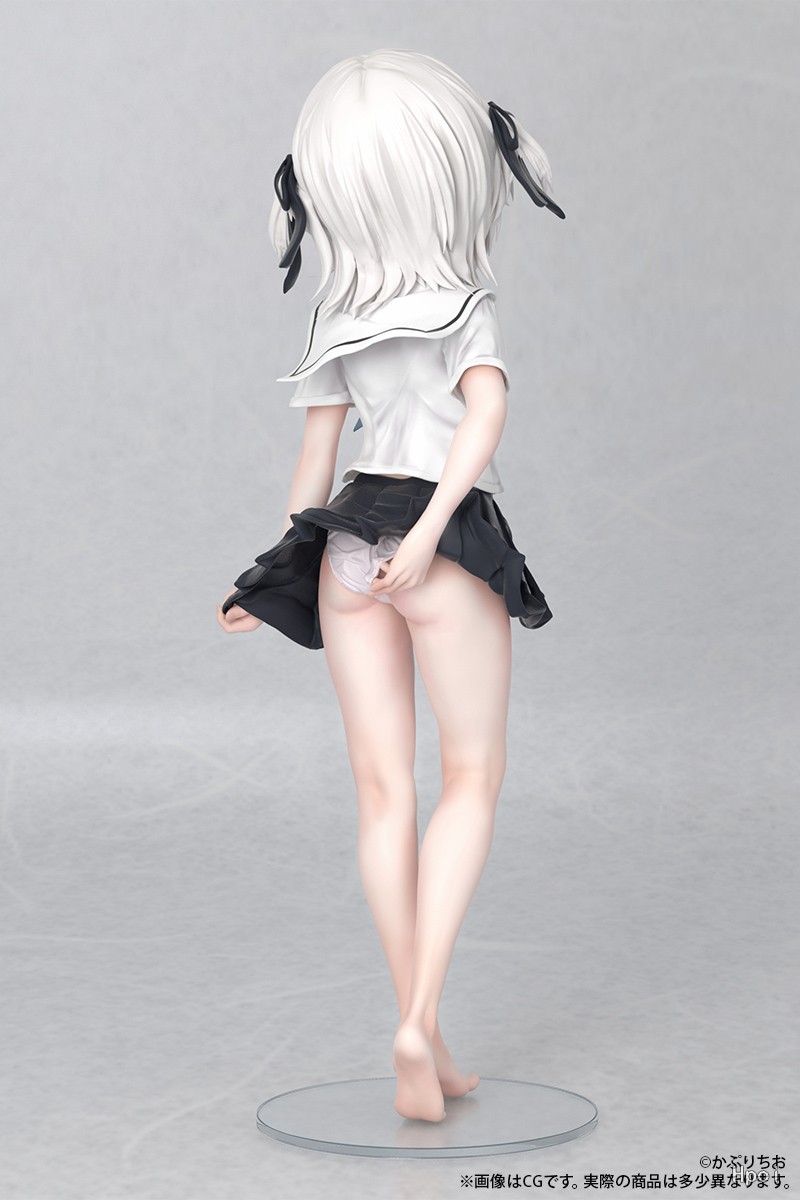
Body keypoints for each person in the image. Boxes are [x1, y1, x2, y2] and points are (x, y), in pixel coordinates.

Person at [216, 49, 564, 1123]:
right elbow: (485, 418)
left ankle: (426, 1033)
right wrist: (429, 532)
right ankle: (418, 1020)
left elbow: (314, 468)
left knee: (380, 793)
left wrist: (275, 568)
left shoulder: (335, 315)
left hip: (344, 549)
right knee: (470, 774)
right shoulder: (463, 302)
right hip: (439, 539)